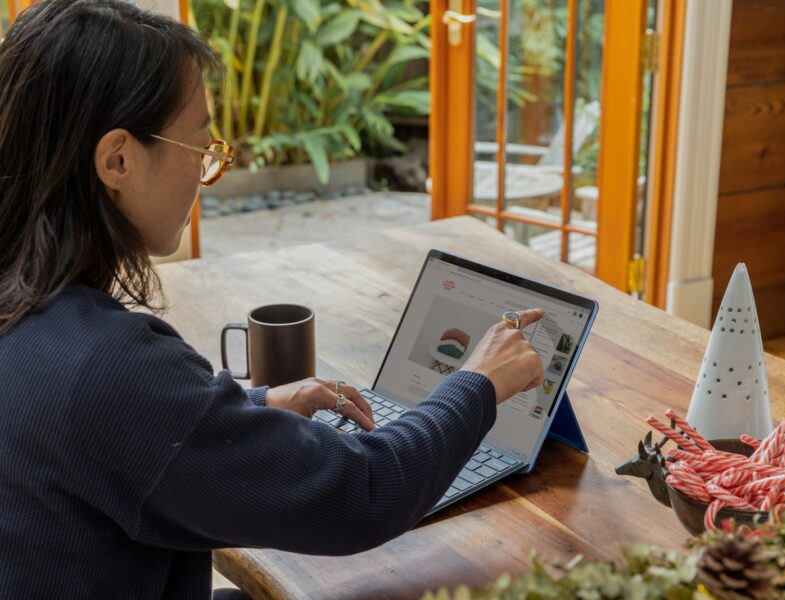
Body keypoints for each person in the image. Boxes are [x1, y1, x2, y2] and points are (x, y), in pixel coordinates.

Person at [0, 1, 544, 598]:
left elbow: (121, 436)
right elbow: (359, 492)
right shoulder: (106, 365)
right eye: (199, 144)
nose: (208, 171)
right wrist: (480, 383)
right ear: (118, 160)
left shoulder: (30, 315)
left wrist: (253, 408)